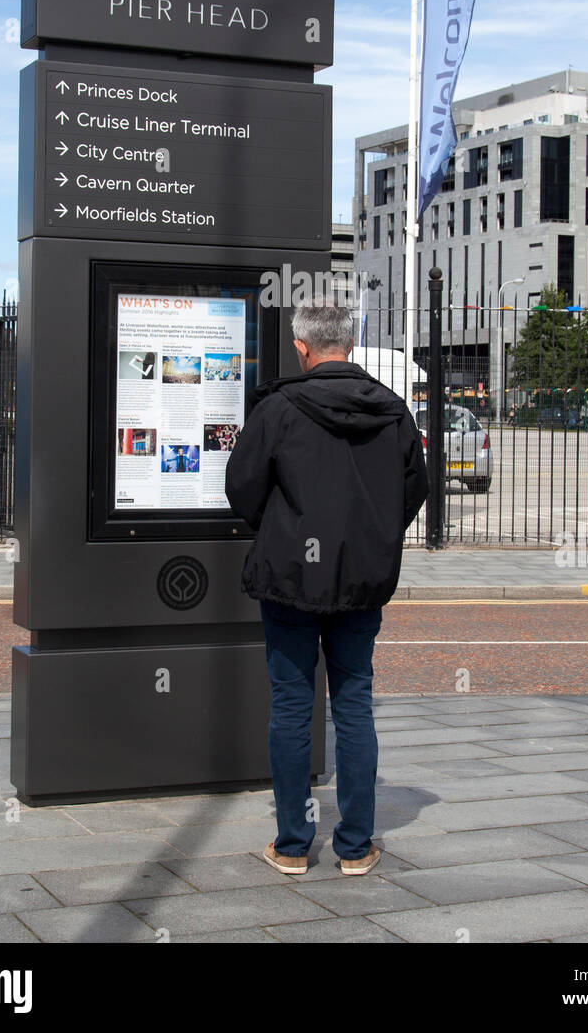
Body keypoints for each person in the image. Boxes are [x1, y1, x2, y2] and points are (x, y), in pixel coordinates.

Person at [225, 303, 428, 878]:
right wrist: (371, 538)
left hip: (290, 579)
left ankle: (292, 845)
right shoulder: (393, 412)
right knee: (354, 704)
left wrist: (281, 528)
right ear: (353, 343)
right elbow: (415, 489)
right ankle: (356, 846)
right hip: (362, 582)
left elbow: (241, 487)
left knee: (291, 705)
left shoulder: (278, 409)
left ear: (303, 348)